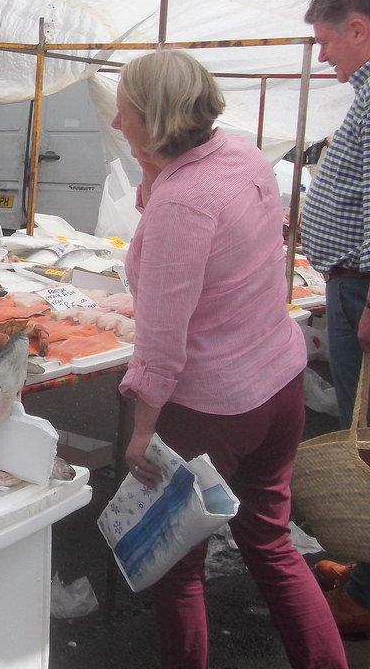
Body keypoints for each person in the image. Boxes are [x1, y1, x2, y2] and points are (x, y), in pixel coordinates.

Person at [114, 50, 348, 668]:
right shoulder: (241, 153)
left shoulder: (182, 203)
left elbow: (161, 340)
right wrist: (151, 176)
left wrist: (142, 431)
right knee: (271, 544)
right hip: (279, 381)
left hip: (213, 404)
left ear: (154, 117)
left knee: (177, 566)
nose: (117, 125)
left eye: (125, 113)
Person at [298, 0, 370, 634]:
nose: (322, 58)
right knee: (359, 426)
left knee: (367, 438)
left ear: (357, 28)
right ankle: (368, 569)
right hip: (351, 282)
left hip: (364, 286)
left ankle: (368, 600)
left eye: (324, 42)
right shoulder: (366, 94)